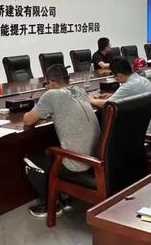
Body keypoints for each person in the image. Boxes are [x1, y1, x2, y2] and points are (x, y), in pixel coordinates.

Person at [23, 64, 101, 218]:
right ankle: (63, 197)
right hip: (95, 157)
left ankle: (51, 205)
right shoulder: (79, 90)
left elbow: (28, 120)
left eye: (46, 84)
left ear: (52, 83)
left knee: (30, 159)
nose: (46, 87)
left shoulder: (51, 95)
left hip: (77, 164)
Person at [90, 57, 151, 132]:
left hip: (144, 132)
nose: (115, 79)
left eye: (114, 76)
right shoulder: (143, 80)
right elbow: (131, 96)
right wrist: (113, 96)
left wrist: (90, 99)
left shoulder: (128, 86)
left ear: (119, 75)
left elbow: (107, 105)